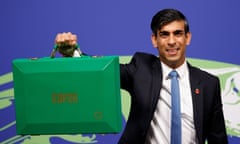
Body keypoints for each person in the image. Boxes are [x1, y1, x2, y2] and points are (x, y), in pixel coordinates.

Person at [54, 8, 228, 144]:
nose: (172, 41)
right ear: (154, 40)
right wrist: (73, 54)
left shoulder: (208, 83)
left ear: (187, 37)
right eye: (164, 34)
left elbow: (217, 138)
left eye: (178, 33)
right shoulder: (141, 69)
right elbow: (102, 72)